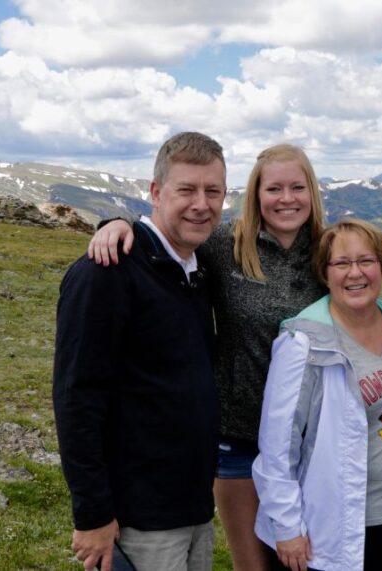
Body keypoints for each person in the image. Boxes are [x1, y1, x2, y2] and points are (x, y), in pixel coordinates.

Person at [87, 144, 328, 570]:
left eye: (297, 187)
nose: (286, 199)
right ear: (256, 195)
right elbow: (169, 235)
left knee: (309, 559)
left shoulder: (329, 252)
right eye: (273, 189)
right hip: (238, 438)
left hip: (309, 441)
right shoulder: (226, 243)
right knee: (253, 565)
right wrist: (117, 223)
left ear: (313, 192)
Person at [53, 132, 226, 571]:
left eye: (213, 191)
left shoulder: (196, 269)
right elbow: (76, 398)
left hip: (192, 506)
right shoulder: (107, 272)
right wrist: (92, 513)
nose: (201, 204)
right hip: (139, 516)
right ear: (156, 192)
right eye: (186, 190)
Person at [253, 219, 382, 571]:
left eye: (366, 261)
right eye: (342, 263)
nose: (355, 273)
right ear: (325, 272)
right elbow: (277, 445)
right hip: (328, 532)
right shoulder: (303, 342)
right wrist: (287, 527)